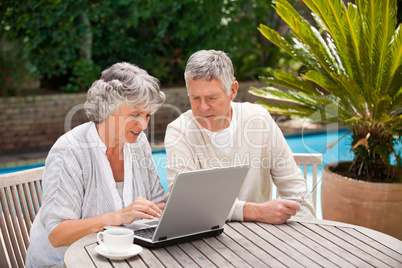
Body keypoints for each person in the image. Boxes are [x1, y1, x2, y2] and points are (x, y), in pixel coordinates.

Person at [26, 62, 166, 267]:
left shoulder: (138, 143)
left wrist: (171, 206)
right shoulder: (70, 151)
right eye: (135, 114)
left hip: (117, 260)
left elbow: (156, 204)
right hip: (63, 263)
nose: (143, 125)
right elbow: (57, 235)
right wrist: (120, 216)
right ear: (107, 107)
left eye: (147, 115)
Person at [164, 50, 316, 224]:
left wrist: (309, 232)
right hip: (204, 241)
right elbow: (185, 202)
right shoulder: (179, 132)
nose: (203, 107)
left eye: (212, 97)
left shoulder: (259, 120)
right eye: (195, 98)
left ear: (233, 90)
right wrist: (255, 211)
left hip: (262, 238)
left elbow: (294, 188)